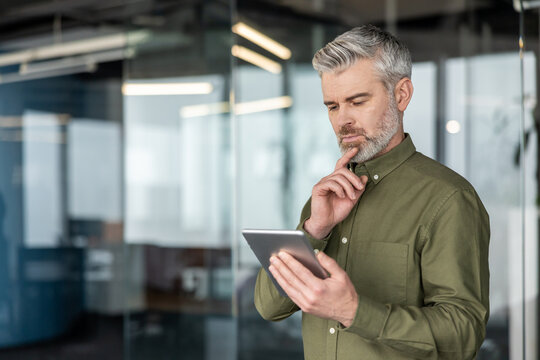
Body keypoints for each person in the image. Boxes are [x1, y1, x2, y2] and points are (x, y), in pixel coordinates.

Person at [253, 25, 490, 360]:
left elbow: (463, 335)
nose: (342, 121)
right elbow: (268, 306)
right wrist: (314, 231)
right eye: (332, 106)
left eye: (357, 101)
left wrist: (353, 311)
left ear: (402, 94)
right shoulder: (326, 197)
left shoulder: (448, 199)